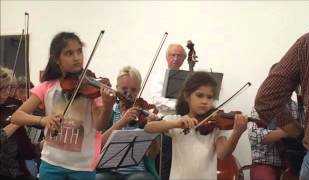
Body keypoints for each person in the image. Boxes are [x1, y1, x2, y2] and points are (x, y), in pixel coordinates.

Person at [11, 32, 114, 180]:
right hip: (51, 164)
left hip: (82, 167)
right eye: (69, 53)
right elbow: (16, 116)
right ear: (57, 59)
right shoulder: (47, 87)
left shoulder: (92, 88)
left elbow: (99, 125)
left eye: (79, 51)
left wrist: (108, 106)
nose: (77, 57)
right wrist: (42, 120)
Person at [145, 71, 248, 179]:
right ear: (187, 96)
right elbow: (149, 128)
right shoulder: (176, 121)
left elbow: (222, 154)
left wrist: (237, 133)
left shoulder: (215, 126)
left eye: (209, 97)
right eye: (200, 95)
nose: (205, 101)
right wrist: (176, 124)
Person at [255, 28, 309, 180]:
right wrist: (295, 132)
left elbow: (266, 99)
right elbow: (258, 137)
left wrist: (299, 132)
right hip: (268, 159)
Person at [96, 66, 159, 180]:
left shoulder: (144, 114)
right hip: (108, 171)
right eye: (124, 88)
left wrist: (152, 132)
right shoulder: (109, 112)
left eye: (133, 90)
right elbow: (97, 146)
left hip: (138, 172)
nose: (128, 94)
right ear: (117, 88)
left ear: (139, 89)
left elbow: (152, 154)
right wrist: (122, 122)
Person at [150, 43, 186, 180]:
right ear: (167, 57)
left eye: (179, 56)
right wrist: (179, 105)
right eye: (173, 55)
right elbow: (157, 100)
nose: (176, 58)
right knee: (166, 161)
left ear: (184, 59)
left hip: (184, 125)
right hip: (165, 123)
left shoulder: (188, 77)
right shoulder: (160, 76)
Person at [0, 66, 37, 180]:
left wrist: (41, 146)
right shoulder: (14, 116)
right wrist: (17, 121)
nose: (7, 93)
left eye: (9, 89)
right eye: (3, 89)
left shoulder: (11, 109)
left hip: (16, 171)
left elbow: (27, 151)